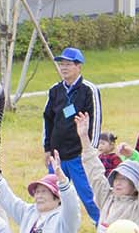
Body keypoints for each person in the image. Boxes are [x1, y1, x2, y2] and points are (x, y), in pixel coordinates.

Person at [40, 47, 103, 219]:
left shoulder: (88, 90)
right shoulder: (55, 90)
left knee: (89, 196)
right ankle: (49, 226)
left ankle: (102, 227)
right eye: (61, 64)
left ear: (78, 66)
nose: (64, 68)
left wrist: (92, 149)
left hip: (79, 155)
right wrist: (47, 148)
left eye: (68, 64)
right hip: (58, 155)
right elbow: (47, 119)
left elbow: (96, 120)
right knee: (52, 194)